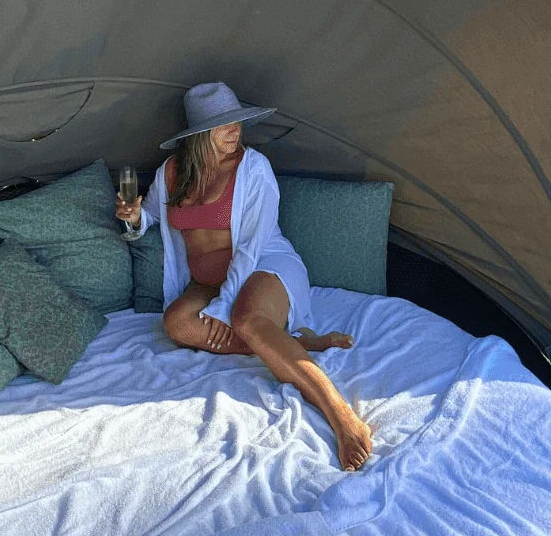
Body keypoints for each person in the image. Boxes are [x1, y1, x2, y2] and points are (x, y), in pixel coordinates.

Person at [116, 81, 373, 471]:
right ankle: (288, 343)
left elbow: (251, 248)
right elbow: (150, 215)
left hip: (265, 266)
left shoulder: (254, 170)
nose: (235, 130)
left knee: (246, 320)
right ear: (200, 134)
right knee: (177, 324)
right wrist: (134, 219)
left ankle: (341, 416)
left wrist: (222, 308)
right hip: (207, 282)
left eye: (237, 121)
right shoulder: (172, 172)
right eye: (223, 124)